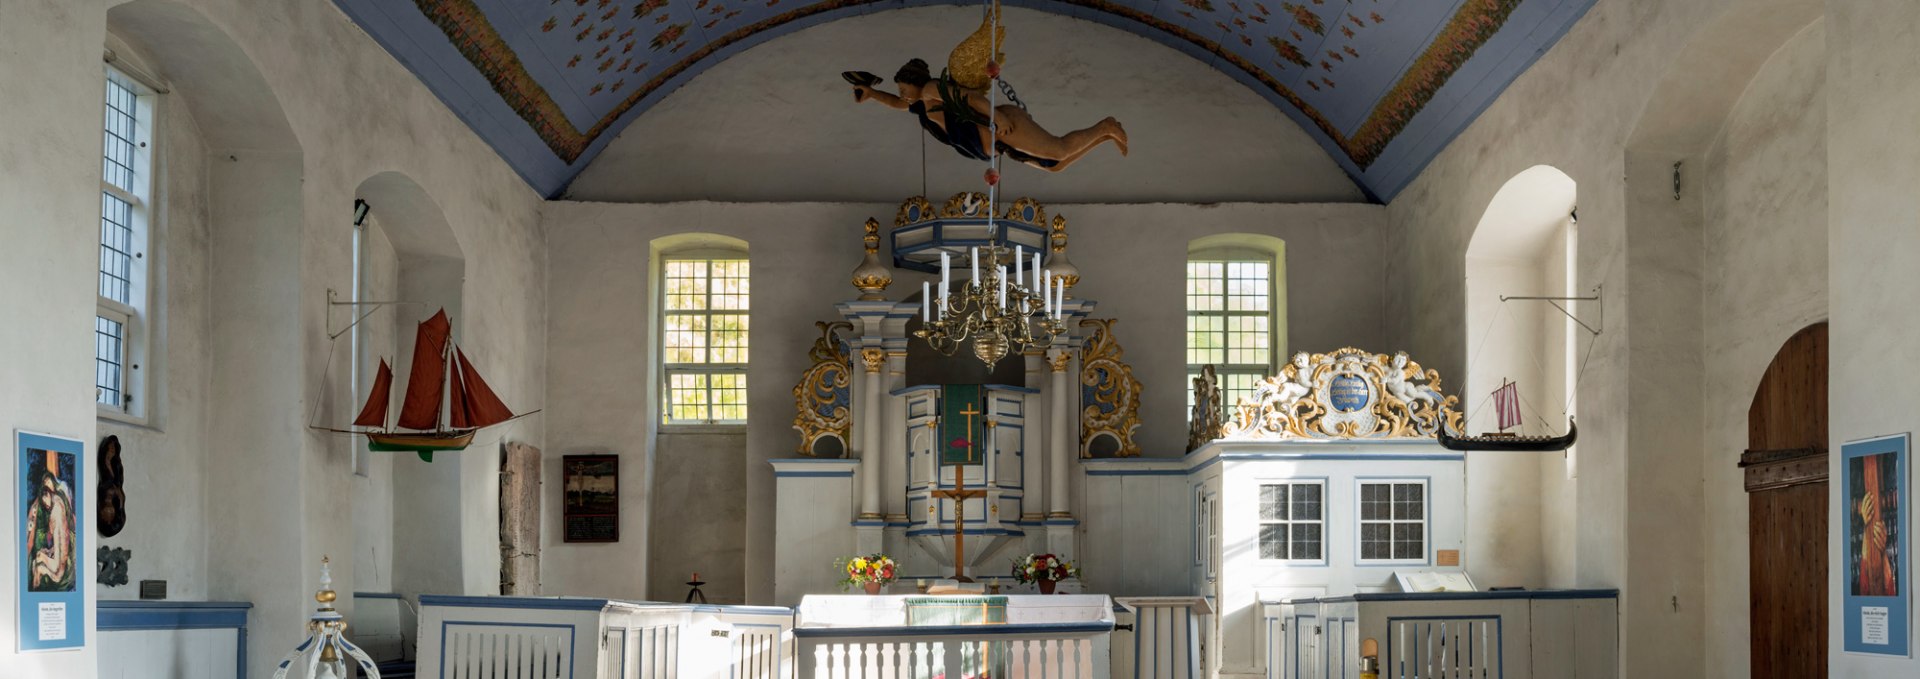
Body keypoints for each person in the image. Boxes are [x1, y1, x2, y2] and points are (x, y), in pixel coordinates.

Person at [846, 59, 1127, 172]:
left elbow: (971, 97)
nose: (903, 94)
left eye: (905, 88)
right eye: (901, 90)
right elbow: (896, 104)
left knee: (1059, 150)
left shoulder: (931, 90)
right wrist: (870, 94)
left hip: (1000, 126)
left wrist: (998, 117)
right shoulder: (922, 105)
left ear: (917, 83)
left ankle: (1106, 125)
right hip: (992, 144)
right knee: (1055, 166)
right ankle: (1101, 136)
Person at [25, 457, 75, 592]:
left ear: (47, 494)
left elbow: (58, 567)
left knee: (38, 562)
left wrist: (45, 556)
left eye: (45, 502)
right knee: (39, 557)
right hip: (60, 563)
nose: (46, 506)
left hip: (59, 572)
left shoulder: (55, 511)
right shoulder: (59, 501)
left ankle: (34, 592)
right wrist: (49, 551)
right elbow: (59, 541)